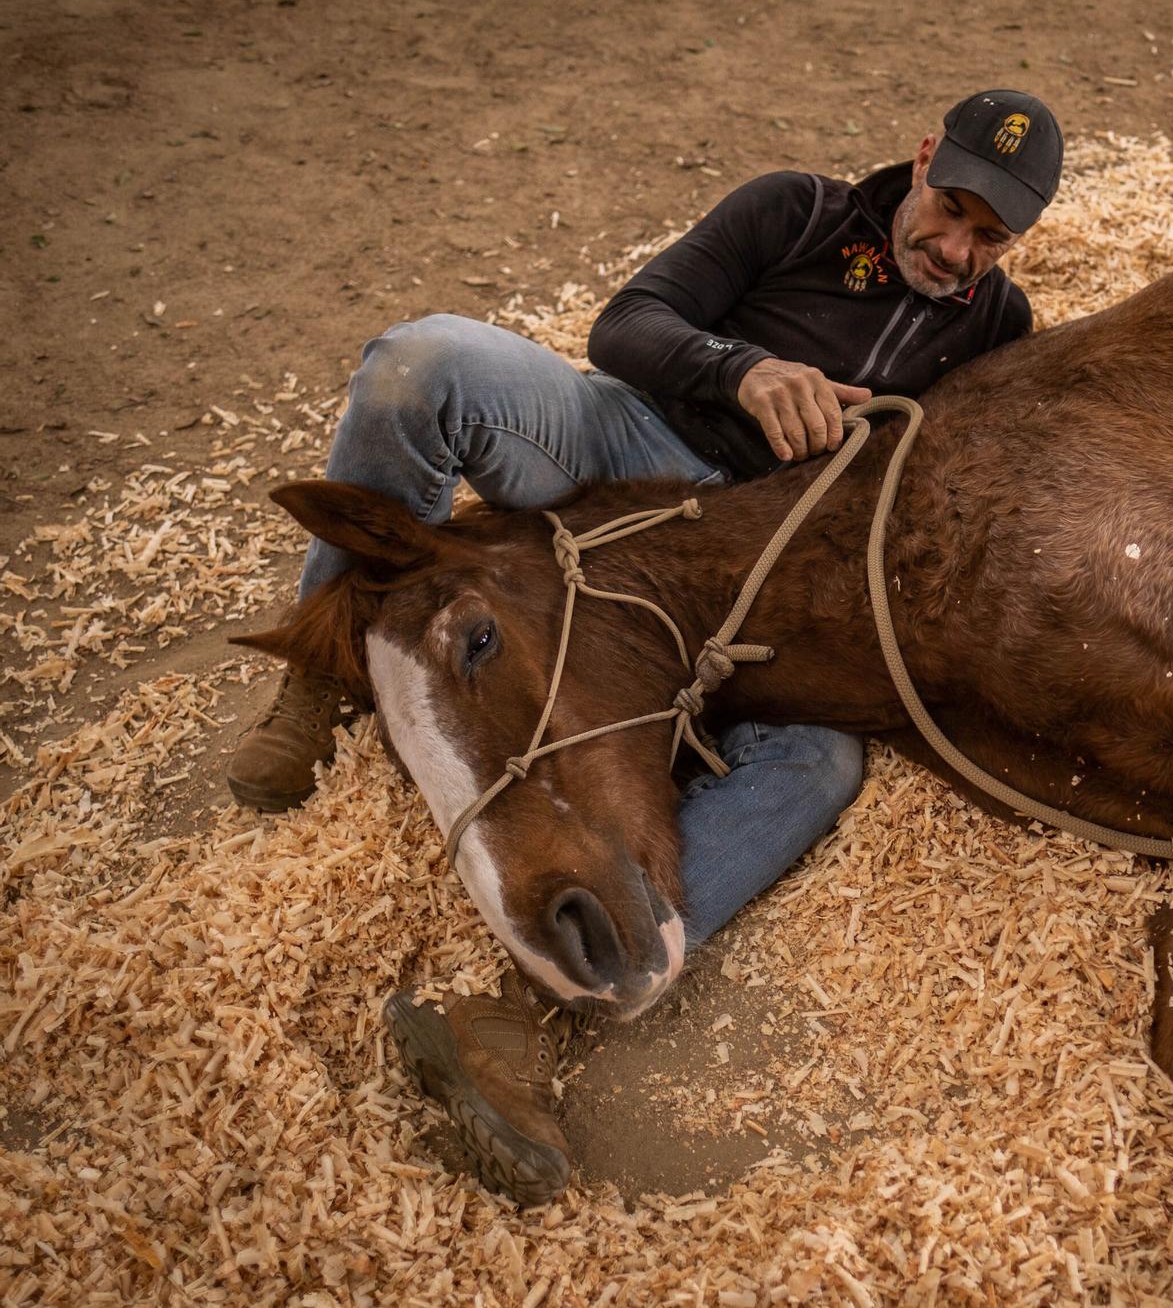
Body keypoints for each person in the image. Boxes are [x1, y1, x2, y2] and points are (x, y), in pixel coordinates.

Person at [226, 88, 1063, 1203]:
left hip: (746, 560)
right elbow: (624, 324)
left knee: (817, 763)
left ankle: (545, 995)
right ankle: (319, 673)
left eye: (988, 237)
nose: (954, 249)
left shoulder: (998, 331)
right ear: (920, 160)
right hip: (626, 437)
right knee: (421, 364)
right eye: (947, 211)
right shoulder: (797, 213)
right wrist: (743, 372)